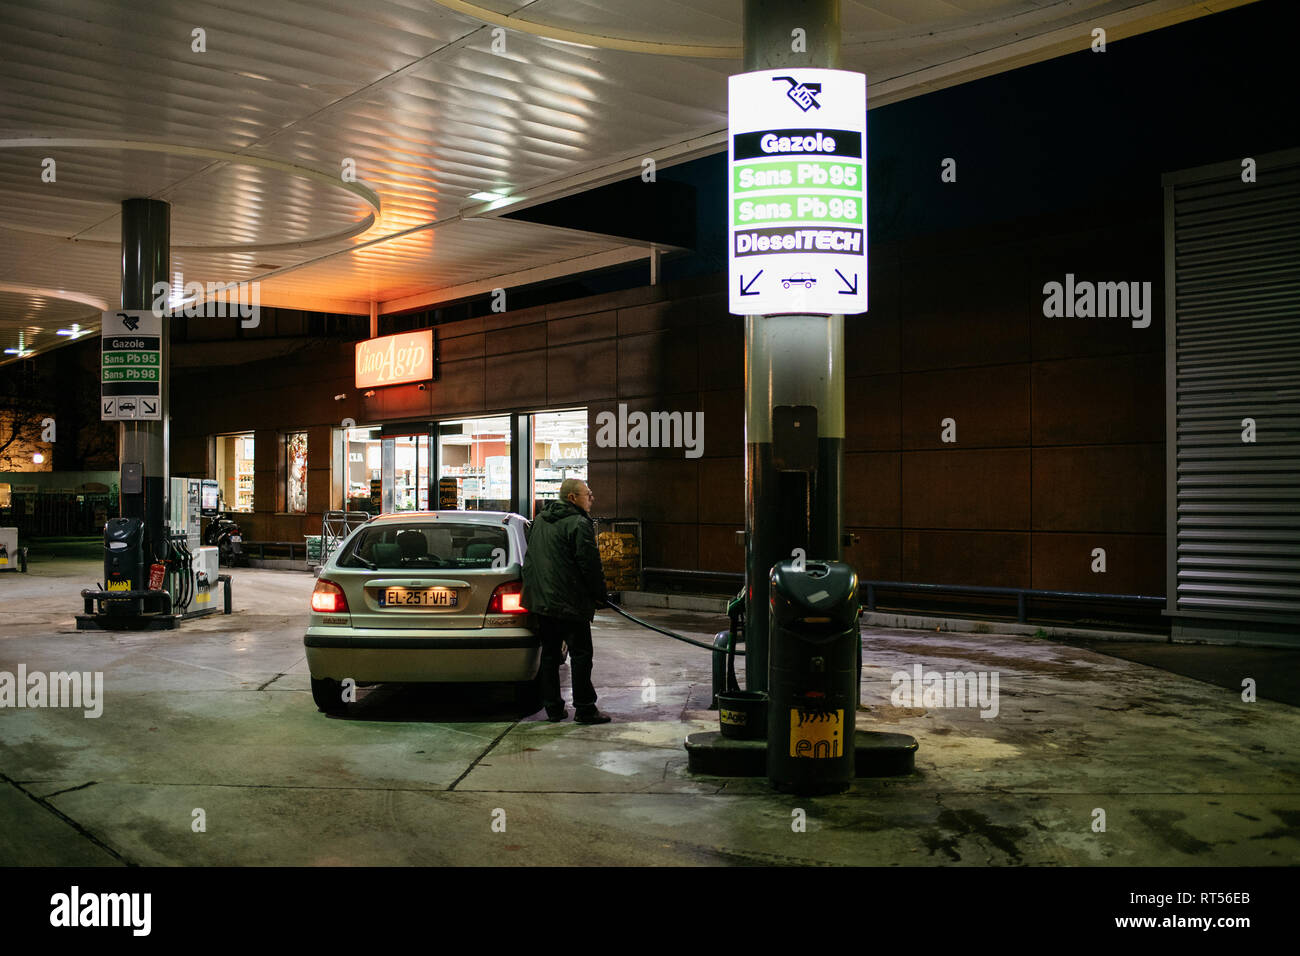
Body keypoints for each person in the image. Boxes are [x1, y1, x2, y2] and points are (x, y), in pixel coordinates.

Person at [521, 478, 611, 724]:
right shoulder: (579, 524)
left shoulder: (539, 521)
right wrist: (600, 595)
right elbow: (589, 565)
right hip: (570, 602)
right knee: (581, 654)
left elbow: (532, 559)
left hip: (544, 602)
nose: (591, 498)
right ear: (573, 498)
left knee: (550, 655)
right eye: (588, 494)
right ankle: (585, 708)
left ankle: (553, 708)